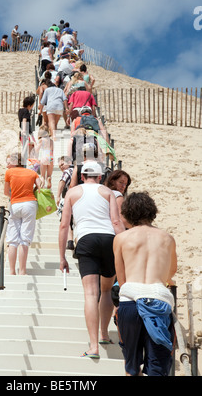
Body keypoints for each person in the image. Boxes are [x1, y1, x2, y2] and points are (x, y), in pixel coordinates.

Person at [59, 161, 125, 358]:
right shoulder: (107, 192)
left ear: (82, 176)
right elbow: (116, 221)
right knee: (106, 290)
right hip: (108, 240)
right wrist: (125, 248)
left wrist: (62, 256)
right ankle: (104, 334)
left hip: (86, 239)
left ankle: (94, 346)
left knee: (90, 294)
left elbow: (64, 225)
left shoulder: (73, 193)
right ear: (100, 177)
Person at [113, 192, 177, 376]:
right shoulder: (167, 238)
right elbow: (171, 271)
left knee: (131, 367)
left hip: (130, 300)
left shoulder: (121, 239)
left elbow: (121, 277)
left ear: (128, 213)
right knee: (157, 367)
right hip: (158, 300)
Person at [4, 152, 41, 275]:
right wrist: (34, 190)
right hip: (30, 204)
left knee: (12, 240)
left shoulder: (9, 173)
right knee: (24, 239)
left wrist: (13, 196)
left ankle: (12, 271)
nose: (7, 165)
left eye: (9, 162)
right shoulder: (32, 172)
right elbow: (41, 184)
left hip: (15, 204)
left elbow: (5, 192)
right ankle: (23, 271)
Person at [57, 156, 74, 250]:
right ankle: (72, 242)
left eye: (63, 164)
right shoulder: (78, 170)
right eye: (59, 166)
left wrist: (58, 196)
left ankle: (70, 242)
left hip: (70, 200)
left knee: (67, 221)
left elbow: (62, 182)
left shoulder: (68, 171)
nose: (61, 167)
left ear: (69, 162)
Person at [34, 124, 54, 189]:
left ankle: (42, 187)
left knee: (42, 176)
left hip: (44, 156)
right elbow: (52, 150)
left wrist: (34, 144)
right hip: (51, 157)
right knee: (49, 175)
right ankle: (49, 179)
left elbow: (37, 149)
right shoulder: (51, 140)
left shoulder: (42, 140)